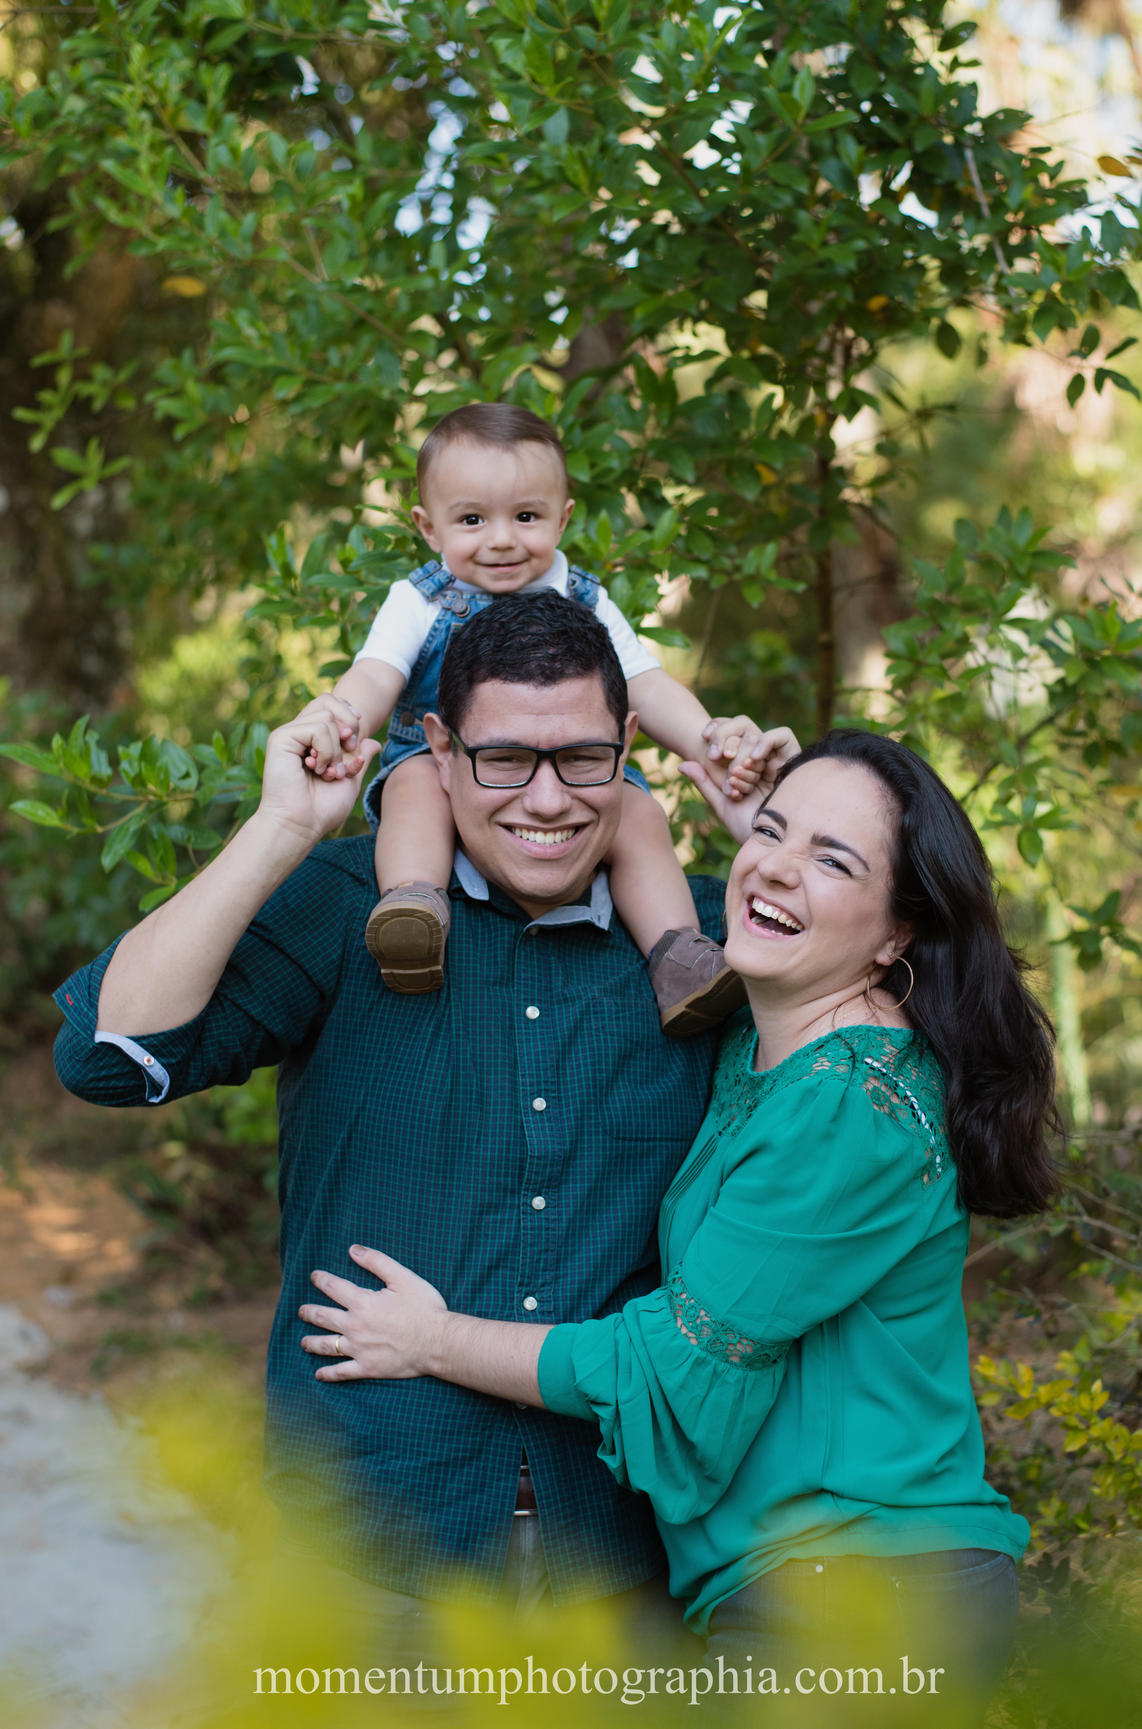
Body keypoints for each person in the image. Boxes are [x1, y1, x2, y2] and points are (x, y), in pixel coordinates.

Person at [52, 592, 787, 1696]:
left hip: (633, 1556)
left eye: (584, 758)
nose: (547, 798)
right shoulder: (352, 905)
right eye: (503, 758)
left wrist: (775, 851)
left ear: (633, 748)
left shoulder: (704, 947)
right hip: (370, 1543)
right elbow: (107, 1055)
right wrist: (285, 826)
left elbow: (934, 1080)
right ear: (437, 748)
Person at [296, 729, 1063, 1722]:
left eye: (837, 860)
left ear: (898, 932)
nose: (776, 864)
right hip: (799, 1589)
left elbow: (666, 1365)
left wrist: (434, 1339)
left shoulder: (852, 1105)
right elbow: (760, 901)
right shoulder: (772, 1042)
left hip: (865, 1594)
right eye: (770, 832)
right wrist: (785, 861)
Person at [295, 400, 796, 1034]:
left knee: (639, 813)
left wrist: (708, 737)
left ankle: (678, 957)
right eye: (472, 518)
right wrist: (341, 720)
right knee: (415, 786)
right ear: (428, 527)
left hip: (573, 766)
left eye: (526, 516)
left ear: (562, 519)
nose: (502, 538)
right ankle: (413, 909)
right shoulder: (420, 600)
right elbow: (377, 673)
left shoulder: (583, 597)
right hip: (441, 758)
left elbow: (646, 684)